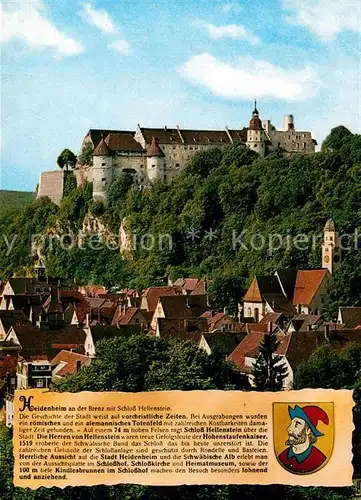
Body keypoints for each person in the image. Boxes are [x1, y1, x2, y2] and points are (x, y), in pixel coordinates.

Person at [277, 405, 329, 474]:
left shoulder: (319, 459)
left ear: (308, 431)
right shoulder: (282, 456)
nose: (289, 429)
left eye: (297, 424)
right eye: (291, 424)